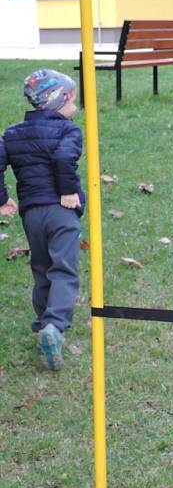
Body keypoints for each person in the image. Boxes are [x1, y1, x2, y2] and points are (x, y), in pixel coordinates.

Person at [0, 69, 85, 371]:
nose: (74, 101)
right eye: (72, 96)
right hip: (61, 211)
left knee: (41, 268)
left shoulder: (12, 134)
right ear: (60, 99)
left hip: (32, 213)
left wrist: (2, 198)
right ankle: (55, 326)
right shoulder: (69, 130)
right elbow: (63, 159)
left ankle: (42, 325)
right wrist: (67, 191)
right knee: (63, 268)